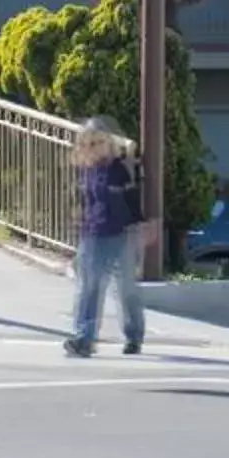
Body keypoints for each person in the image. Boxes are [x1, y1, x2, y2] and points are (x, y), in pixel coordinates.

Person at [66, 117, 147, 358]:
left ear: (109, 143)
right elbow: (82, 202)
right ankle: (84, 338)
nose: (94, 148)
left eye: (99, 142)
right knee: (88, 288)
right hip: (92, 233)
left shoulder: (120, 169)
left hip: (120, 233)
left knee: (125, 289)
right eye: (89, 143)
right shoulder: (84, 171)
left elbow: (132, 201)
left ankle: (134, 336)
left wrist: (141, 227)